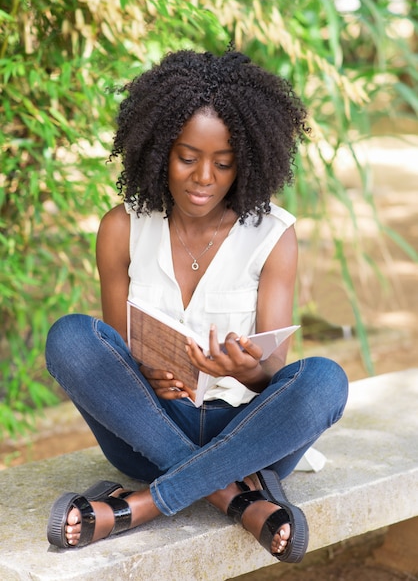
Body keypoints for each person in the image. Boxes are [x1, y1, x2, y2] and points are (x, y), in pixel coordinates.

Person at [45, 49, 348, 562]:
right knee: (70, 337)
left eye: (223, 162)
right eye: (187, 157)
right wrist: (145, 369)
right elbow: (116, 353)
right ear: (159, 149)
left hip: (247, 431)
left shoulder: (273, 235)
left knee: (325, 380)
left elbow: (274, 372)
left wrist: (248, 371)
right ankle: (238, 498)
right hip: (148, 427)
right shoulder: (122, 227)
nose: (204, 176)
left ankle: (135, 507)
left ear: (246, 161)